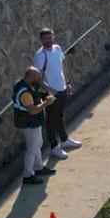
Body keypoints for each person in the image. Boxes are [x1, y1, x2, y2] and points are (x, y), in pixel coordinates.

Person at [32, 28, 81, 160]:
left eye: (50, 37)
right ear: (41, 40)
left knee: (59, 116)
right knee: (50, 120)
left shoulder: (57, 49)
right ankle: (54, 147)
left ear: (53, 37)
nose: (48, 40)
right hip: (50, 92)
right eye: (45, 38)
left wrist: (67, 83)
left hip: (62, 88)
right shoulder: (40, 56)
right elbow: (37, 77)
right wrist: (49, 89)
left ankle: (65, 140)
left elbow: (61, 67)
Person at [12, 66, 56, 185]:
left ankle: (38, 168)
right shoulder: (24, 92)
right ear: (31, 77)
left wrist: (44, 95)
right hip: (29, 123)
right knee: (32, 149)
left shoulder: (28, 85)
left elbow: (39, 94)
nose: (40, 79)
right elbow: (32, 110)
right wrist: (46, 103)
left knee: (38, 144)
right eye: (38, 77)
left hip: (33, 122)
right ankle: (27, 175)